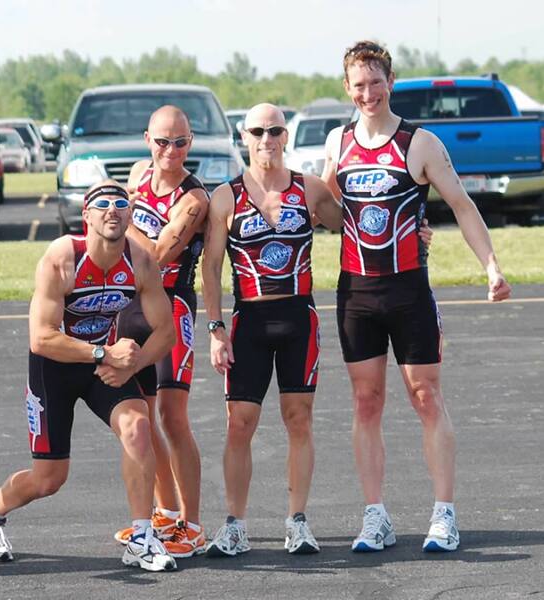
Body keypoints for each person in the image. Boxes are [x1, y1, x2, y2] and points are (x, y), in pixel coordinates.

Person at [321, 40, 512, 553]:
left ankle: (444, 514)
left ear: (391, 81)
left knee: (425, 397)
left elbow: (463, 205)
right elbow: (322, 209)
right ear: (347, 88)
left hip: (408, 289)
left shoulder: (419, 142)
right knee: (366, 402)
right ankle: (375, 515)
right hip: (356, 291)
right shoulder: (337, 144)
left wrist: (490, 267)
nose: (368, 92)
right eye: (358, 85)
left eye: (376, 82)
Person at [0, 180, 178, 572]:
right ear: (87, 216)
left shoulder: (141, 260)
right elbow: (41, 338)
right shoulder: (62, 257)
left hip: (103, 363)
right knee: (49, 479)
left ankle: (141, 537)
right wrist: (103, 352)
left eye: (121, 204)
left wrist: (132, 363)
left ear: (130, 214)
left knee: (138, 426)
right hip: (55, 366)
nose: (112, 211)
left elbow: (166, 332)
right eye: (102, 205)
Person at [201, 103, 344, 557]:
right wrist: (215, 328)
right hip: (248, 322)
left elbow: (353, 223)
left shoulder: (309, 188)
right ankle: (235, 524)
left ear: (286, 136)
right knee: (239, 424)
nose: (267, 139)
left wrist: (417, 230)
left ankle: (297, 521)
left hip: (299, 318)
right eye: (259, 131)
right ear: (244, 136)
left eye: (275, 131)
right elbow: (210, 268)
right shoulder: (226, 196)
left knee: (298, 419)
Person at [112, 105, 210, 557]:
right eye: (162, 141)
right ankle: (164, 513)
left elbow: (155, 255)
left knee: (173, 416)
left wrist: (117, 216)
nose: (170, 151)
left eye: (181, 143)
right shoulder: (136, 175)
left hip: (171, 308)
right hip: (130, 306)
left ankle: (191, 522)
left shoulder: (194, 200)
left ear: (190, 143)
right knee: (141, 418)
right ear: (146, 139)